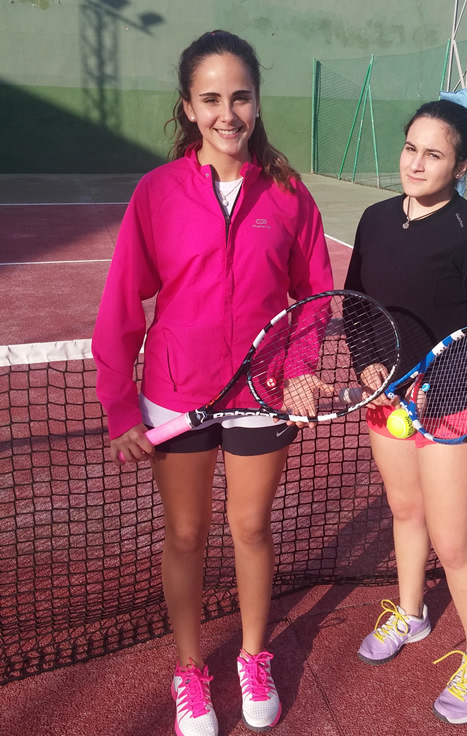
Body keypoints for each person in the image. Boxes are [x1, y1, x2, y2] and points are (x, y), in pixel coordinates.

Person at [92, 30, 333, 736]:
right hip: (176, 393)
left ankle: (253, 657)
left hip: (261, 395)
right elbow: (121, 303)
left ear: (257, 101)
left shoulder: (288, 193)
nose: (228, 114)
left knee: (251, 527)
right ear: (189, 107)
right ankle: (190, 670)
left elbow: (314, 297)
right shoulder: (156, 193)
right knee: (187, 534)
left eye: (241, 97)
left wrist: (300, 369)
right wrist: (119, 406)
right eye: (211, 99)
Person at [344, 99, 467, 725]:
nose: (416, 164)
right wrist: (368, 365)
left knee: (451, 539)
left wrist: (432, 392)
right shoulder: (374, 219)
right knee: (405, 510)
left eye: (434, 154)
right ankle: (412, 614)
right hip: (387, 398)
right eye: (410, 148)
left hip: (454, 405)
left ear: (461, 165)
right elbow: (355, 303)